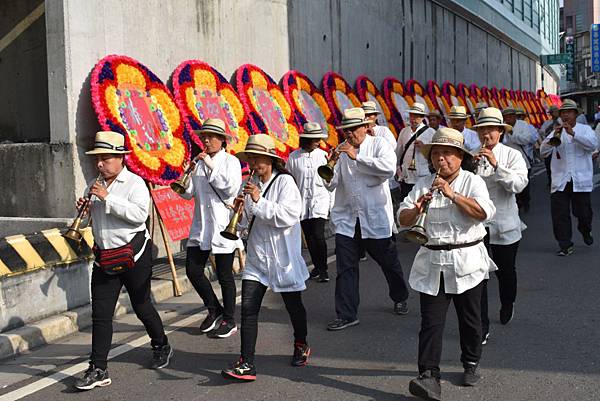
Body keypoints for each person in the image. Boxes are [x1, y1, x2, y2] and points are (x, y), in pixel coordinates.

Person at [398, 127, 496, 400]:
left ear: (460, 157)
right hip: (433, 260)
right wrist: (416, 209)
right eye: (436, 154)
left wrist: (452, 194)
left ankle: (471, 361)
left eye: (447, 154)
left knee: (470, 320)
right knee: (431, 322)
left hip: (467, 261)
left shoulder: (472, 182)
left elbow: (484, 213)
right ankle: (428, 376)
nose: (441, 159)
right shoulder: (422, 184)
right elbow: (402, 219)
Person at [74, 131, 172, 391]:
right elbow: (89, 222)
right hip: (104, 258)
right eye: (98, 159)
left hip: (134, 256)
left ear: (120, 158)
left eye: (105, 159)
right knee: (101, 315)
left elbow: (139, 216)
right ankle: (98, 368)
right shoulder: (92, 185)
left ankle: (161, 343)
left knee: (141, 305)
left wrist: (108, 198)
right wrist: (82, 212)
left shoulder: (135, 183)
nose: (100, 164)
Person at [221, 134, 310, 382]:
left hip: (282, 258)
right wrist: (238, 215)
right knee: (248, 309)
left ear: (270, 159)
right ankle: (247, 362)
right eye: (250, 158)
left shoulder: (285, 183)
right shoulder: (248, 184)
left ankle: (301, 343)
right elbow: (248, 225)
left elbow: (288, 216)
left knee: (293, 307)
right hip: (258, 258)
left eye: (257, 158)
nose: (252, 163)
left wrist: (258, 201)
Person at [323, 107, 410, 331]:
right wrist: (330, 167)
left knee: (388, 262)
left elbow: (388, 169)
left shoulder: (378, 145)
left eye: (354, 129)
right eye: (346, 130)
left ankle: (400, 296)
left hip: (375, 219)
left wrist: (357, 157)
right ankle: (346, 314)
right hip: (348, 220)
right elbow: (331, 185)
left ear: (366, 127)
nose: (349, 134)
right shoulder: (341, 151)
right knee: (345, 268)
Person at [177, 119, 242, 338]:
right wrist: (186, 174)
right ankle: (214, 309)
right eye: (204, 136)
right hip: (201, 224)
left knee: (224, 275)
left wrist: (209, 164)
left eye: (211, 136)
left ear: (222, 140)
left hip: (223, 224)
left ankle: (230, 319)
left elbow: (229, 187)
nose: (206, 140)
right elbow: (188, 193)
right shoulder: (200, 163)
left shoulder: (230, 161)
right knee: (193, 271)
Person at [472, 108, 528, 345]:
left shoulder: (512, 155)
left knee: (506, 272)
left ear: (500, 132)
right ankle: (481, 326)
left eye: (491, 129)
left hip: (505, 224)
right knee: (479, 276)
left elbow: (518, 185)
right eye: (482, 129)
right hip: (478, 224)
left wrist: (496, 166)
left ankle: (508, 302)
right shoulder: (472, 155)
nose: (486, 134)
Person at [540, 99, 598, 256]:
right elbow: (542, 153)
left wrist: (573, 134)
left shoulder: (585, 130)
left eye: (569, 112)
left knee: (584, 214)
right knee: (560, 215)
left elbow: (592, 145)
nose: (565, 115)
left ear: (575, 114)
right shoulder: (555, 132)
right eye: (563, 113)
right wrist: (551, 141)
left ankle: (585, 230)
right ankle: (565, 244)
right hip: (560, 180)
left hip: (580, 180)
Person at [286, 122, 332, 283]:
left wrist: (331, 202)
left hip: (319, 200)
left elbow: (330, 179)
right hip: (301, 202)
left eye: (318, 138)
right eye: (314, 139)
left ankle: (324, 268)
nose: (317, 141)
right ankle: (317, 266)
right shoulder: (294, 157)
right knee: (310, 237)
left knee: (319, 235)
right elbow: (289, 180)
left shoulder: (324, 155)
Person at [362, 101, 402, 227]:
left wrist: (375, 139)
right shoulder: (360, 131)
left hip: (383, 174)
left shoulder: (383, 131)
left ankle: (391, 227)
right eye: (365, 115)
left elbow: (393, 149)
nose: (368, 117)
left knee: (385, 204)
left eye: (370, 115)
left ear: (376, 116)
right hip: (367, 174)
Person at [395, 103, 436, 201]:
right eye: (412, 115)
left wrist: (424, 147)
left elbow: (434, 154)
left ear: (422, 118)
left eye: (416, 116)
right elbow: (398, 152)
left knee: (421, 201)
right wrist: (397, 168)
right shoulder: (404, 131)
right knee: (405, 202)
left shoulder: (431, 132)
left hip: (423, 175)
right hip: (406, 175)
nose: (413, 119)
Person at [502, 107, 536, 212]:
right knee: (510, 183)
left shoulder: (523, 125)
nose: (508, 119)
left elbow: (526, 140)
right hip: (507, 161)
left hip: (523, 159)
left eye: (510, 116)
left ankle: (526, 201)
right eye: (506, 117)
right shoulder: (502, 127)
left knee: (524, 184)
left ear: (514, 116)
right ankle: (516, 204)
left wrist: (512, 133)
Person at [538, 105, 560, 186]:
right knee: (548, 164)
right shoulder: (547, 122)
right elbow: (541, 132)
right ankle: (550, 179)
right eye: (553, 112)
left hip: (560, 146)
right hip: (549, 147)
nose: (554, 114)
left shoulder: (561, 121)